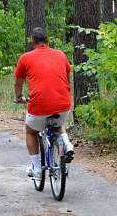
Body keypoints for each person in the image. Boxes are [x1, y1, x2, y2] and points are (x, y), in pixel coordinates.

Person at [14, 27, 74, 180]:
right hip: (63, 103)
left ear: (33, 42)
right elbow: (67, 78)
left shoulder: (25, 58)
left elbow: (18, 83)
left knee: (31, 131)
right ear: (48, 41)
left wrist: (19, 97)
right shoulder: (60, 54)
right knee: (57, 123)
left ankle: (36, 169)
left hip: (39, 105)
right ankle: (67, 144)